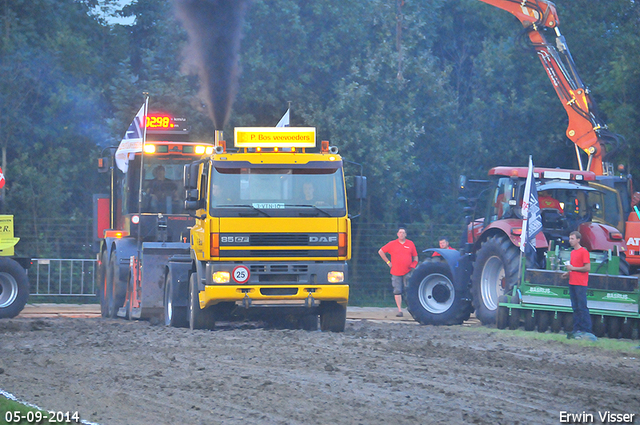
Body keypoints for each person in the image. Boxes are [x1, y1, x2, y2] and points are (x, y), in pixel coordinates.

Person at [562, 231, 597, 341]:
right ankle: (577, 329)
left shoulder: (584, 252)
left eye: (572, 238)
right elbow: (574, 267)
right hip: (572, 282)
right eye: (570, 238)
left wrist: (573, 269)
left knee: (582, 307)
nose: (570, 240)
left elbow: (587, 268)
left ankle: (587, 330)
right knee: (575, 307)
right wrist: (568, 274)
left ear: (578, 240)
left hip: (580, 283)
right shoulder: (573, 253)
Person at [378, 227, 418, 317]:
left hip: (408, 271)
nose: (401, 234)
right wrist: (388, 262)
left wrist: (413, 266)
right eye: (400, 232)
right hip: (395, 271)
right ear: (397, 234)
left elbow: (415, 257)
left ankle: (412, 309)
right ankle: (400, 310)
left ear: (406, 234)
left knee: (409, 290)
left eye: (403, 233)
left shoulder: (410, 244)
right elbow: (380, 251)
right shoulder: (392, 244)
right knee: (397, 290)